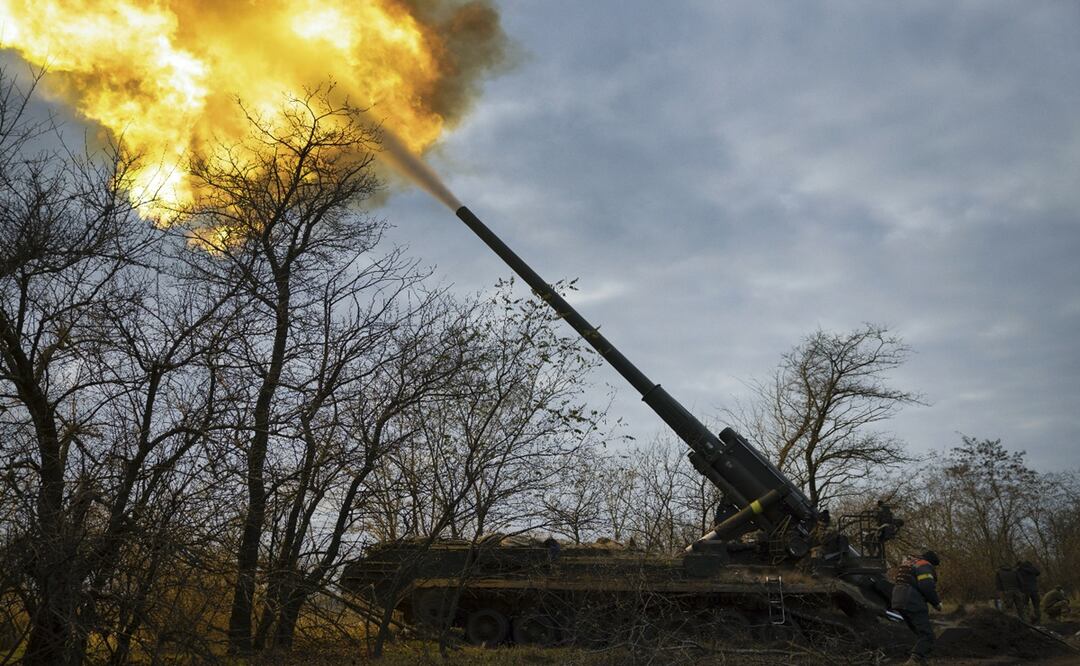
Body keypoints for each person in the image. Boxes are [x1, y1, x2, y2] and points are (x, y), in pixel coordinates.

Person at [891, 549, 942, 665]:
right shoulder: (924, 565)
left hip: (898, 600)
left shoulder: (911, 563)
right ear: (932, 562)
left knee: (920, 633)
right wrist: (936, 603)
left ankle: (921, 661)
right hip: (912, 601)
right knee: (928, 635)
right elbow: (927, 586)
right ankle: (913, 661)